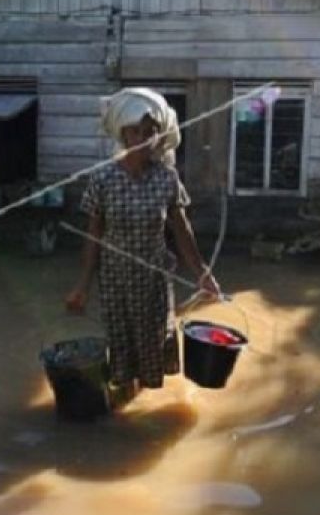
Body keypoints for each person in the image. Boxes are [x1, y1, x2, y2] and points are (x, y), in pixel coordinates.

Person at [65, 88, 222, 398]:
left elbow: (181, 229)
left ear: (158, 137)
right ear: (123, 134)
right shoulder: (102, 179)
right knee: (121, 348)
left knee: (151, 347)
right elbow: (93, 235)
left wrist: (203, 274)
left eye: (150, 132)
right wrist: (82, 286)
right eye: (135, 131)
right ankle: (124, 401)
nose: (143, 139)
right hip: (115, 280)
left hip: (154, 280)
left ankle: (142, 408)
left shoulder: (166, 178)